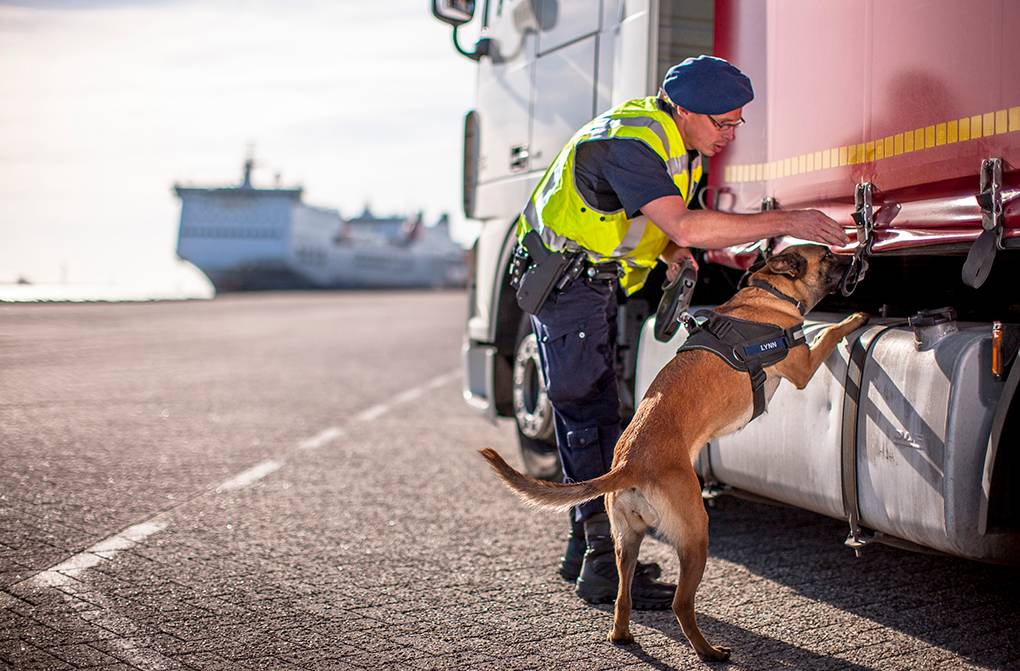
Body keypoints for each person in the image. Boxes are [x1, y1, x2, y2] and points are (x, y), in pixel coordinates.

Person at [516, 55, 849, 610]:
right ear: (684, 110)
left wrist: (671, 253)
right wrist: (788, 222)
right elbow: (686, 222)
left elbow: (648, 220)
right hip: (567, 282)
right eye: (723, 123)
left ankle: (583, 549)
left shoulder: (680, 145)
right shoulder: (634, 142)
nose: (730, 134)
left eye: (737, 123)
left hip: (592, 281)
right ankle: (601, 565)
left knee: (599, 410)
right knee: (588, 414)